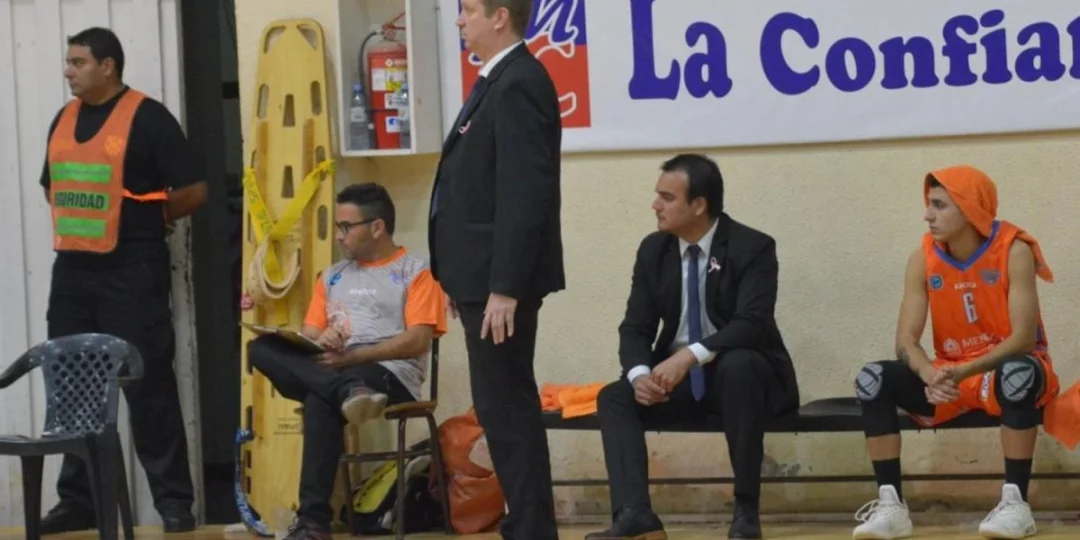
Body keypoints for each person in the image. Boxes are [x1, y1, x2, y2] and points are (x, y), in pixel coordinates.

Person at [38, 27, 207, 533]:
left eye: (78, 62)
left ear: (107, 66)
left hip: (132, 271)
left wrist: (148, 220)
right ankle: (79, 501)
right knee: (73, 388)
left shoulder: (148, 118)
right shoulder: (63, 119)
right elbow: (53, 187)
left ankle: (174, 503)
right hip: (72, 274)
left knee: (148, 384)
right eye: (68, 62)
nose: (68, 71)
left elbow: (194, 190)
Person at [587, 154, 800, 540]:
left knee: (739, 365)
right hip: (680, 382)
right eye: (658, 195)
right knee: (614, 397)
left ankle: (746, 511)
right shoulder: (654, 250)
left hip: (742, 379)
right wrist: (639, 376)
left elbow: (752, 323)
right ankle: (635, 516)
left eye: (667, 197)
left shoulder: (752, 247)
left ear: (698, 205)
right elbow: (635, 327)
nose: (655, 205)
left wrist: (689, 355)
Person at [851, 165, 1060, 540]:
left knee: (1017, 374)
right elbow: (905, 340)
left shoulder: (1014, 250)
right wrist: (930, 374)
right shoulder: (922, 257)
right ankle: (891, 506)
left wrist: (961, 372)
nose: (927, 215)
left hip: (1006, 368)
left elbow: (1023, 339)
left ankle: (1016, 504)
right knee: (873, 379)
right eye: (929, 204)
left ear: (969, 210)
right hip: (951, 376)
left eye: (939, 205)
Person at [426, 0, 564, 537]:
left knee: (507, 407)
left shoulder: (519, 83)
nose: (460, 21)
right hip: (478, 279)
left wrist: (504, 286)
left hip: (498, 285)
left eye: (468, 11)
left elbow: (524, 194)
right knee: (499, 405)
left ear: (499, 16)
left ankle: (532, 529)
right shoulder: (496, 80)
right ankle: (525, 525)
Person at [247, 183, 447, 540]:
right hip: (337, 370)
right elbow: (310, 333)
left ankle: (313, 523)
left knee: (319, 399)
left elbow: (417, 339)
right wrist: (323, 338)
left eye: (345, 226)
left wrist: (354, 356)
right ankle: (345, 390)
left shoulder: (417, 271)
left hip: (389, 374)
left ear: (377, 227)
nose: (339, 235)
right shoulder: (332, 275)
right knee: (260, 348)